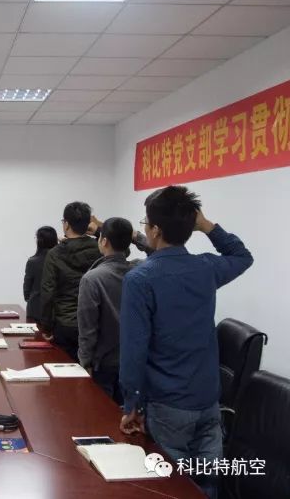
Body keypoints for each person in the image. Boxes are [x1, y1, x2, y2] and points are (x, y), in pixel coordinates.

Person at [119, 186, 253, 499]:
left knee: (170, 487)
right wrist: (207, 226)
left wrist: (131, 404)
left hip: (168, 405)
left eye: (146, 224)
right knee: (207, 484)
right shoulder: (206, 267)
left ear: (155, 230)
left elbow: (134, 349)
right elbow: (242, 256)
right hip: (209, 400)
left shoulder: (140, 279)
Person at [77, 217, 152, 405]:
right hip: (135, 360)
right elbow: (160, 255)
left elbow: (88, 329)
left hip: (103, 363)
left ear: (103, 241)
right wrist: (136, 237)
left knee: (100, 413)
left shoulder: (92, 278)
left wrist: (85, 362)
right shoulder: (140, 270)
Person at [40, 201, 102, 362]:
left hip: (65, 323)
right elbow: (123, 249)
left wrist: (46, 326)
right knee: (90, 372)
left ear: (66, 224)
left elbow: (48, 291)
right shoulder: (100, 248)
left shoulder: (55, 254)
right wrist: (98, 231)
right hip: (94, 321)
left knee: (64, 370)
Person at [23, 226, 58, 323]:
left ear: (39, 241)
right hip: (55, 310)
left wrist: (30, 298)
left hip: (35, 309)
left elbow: (27, 289)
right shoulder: (60, 260)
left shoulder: (33, 262)